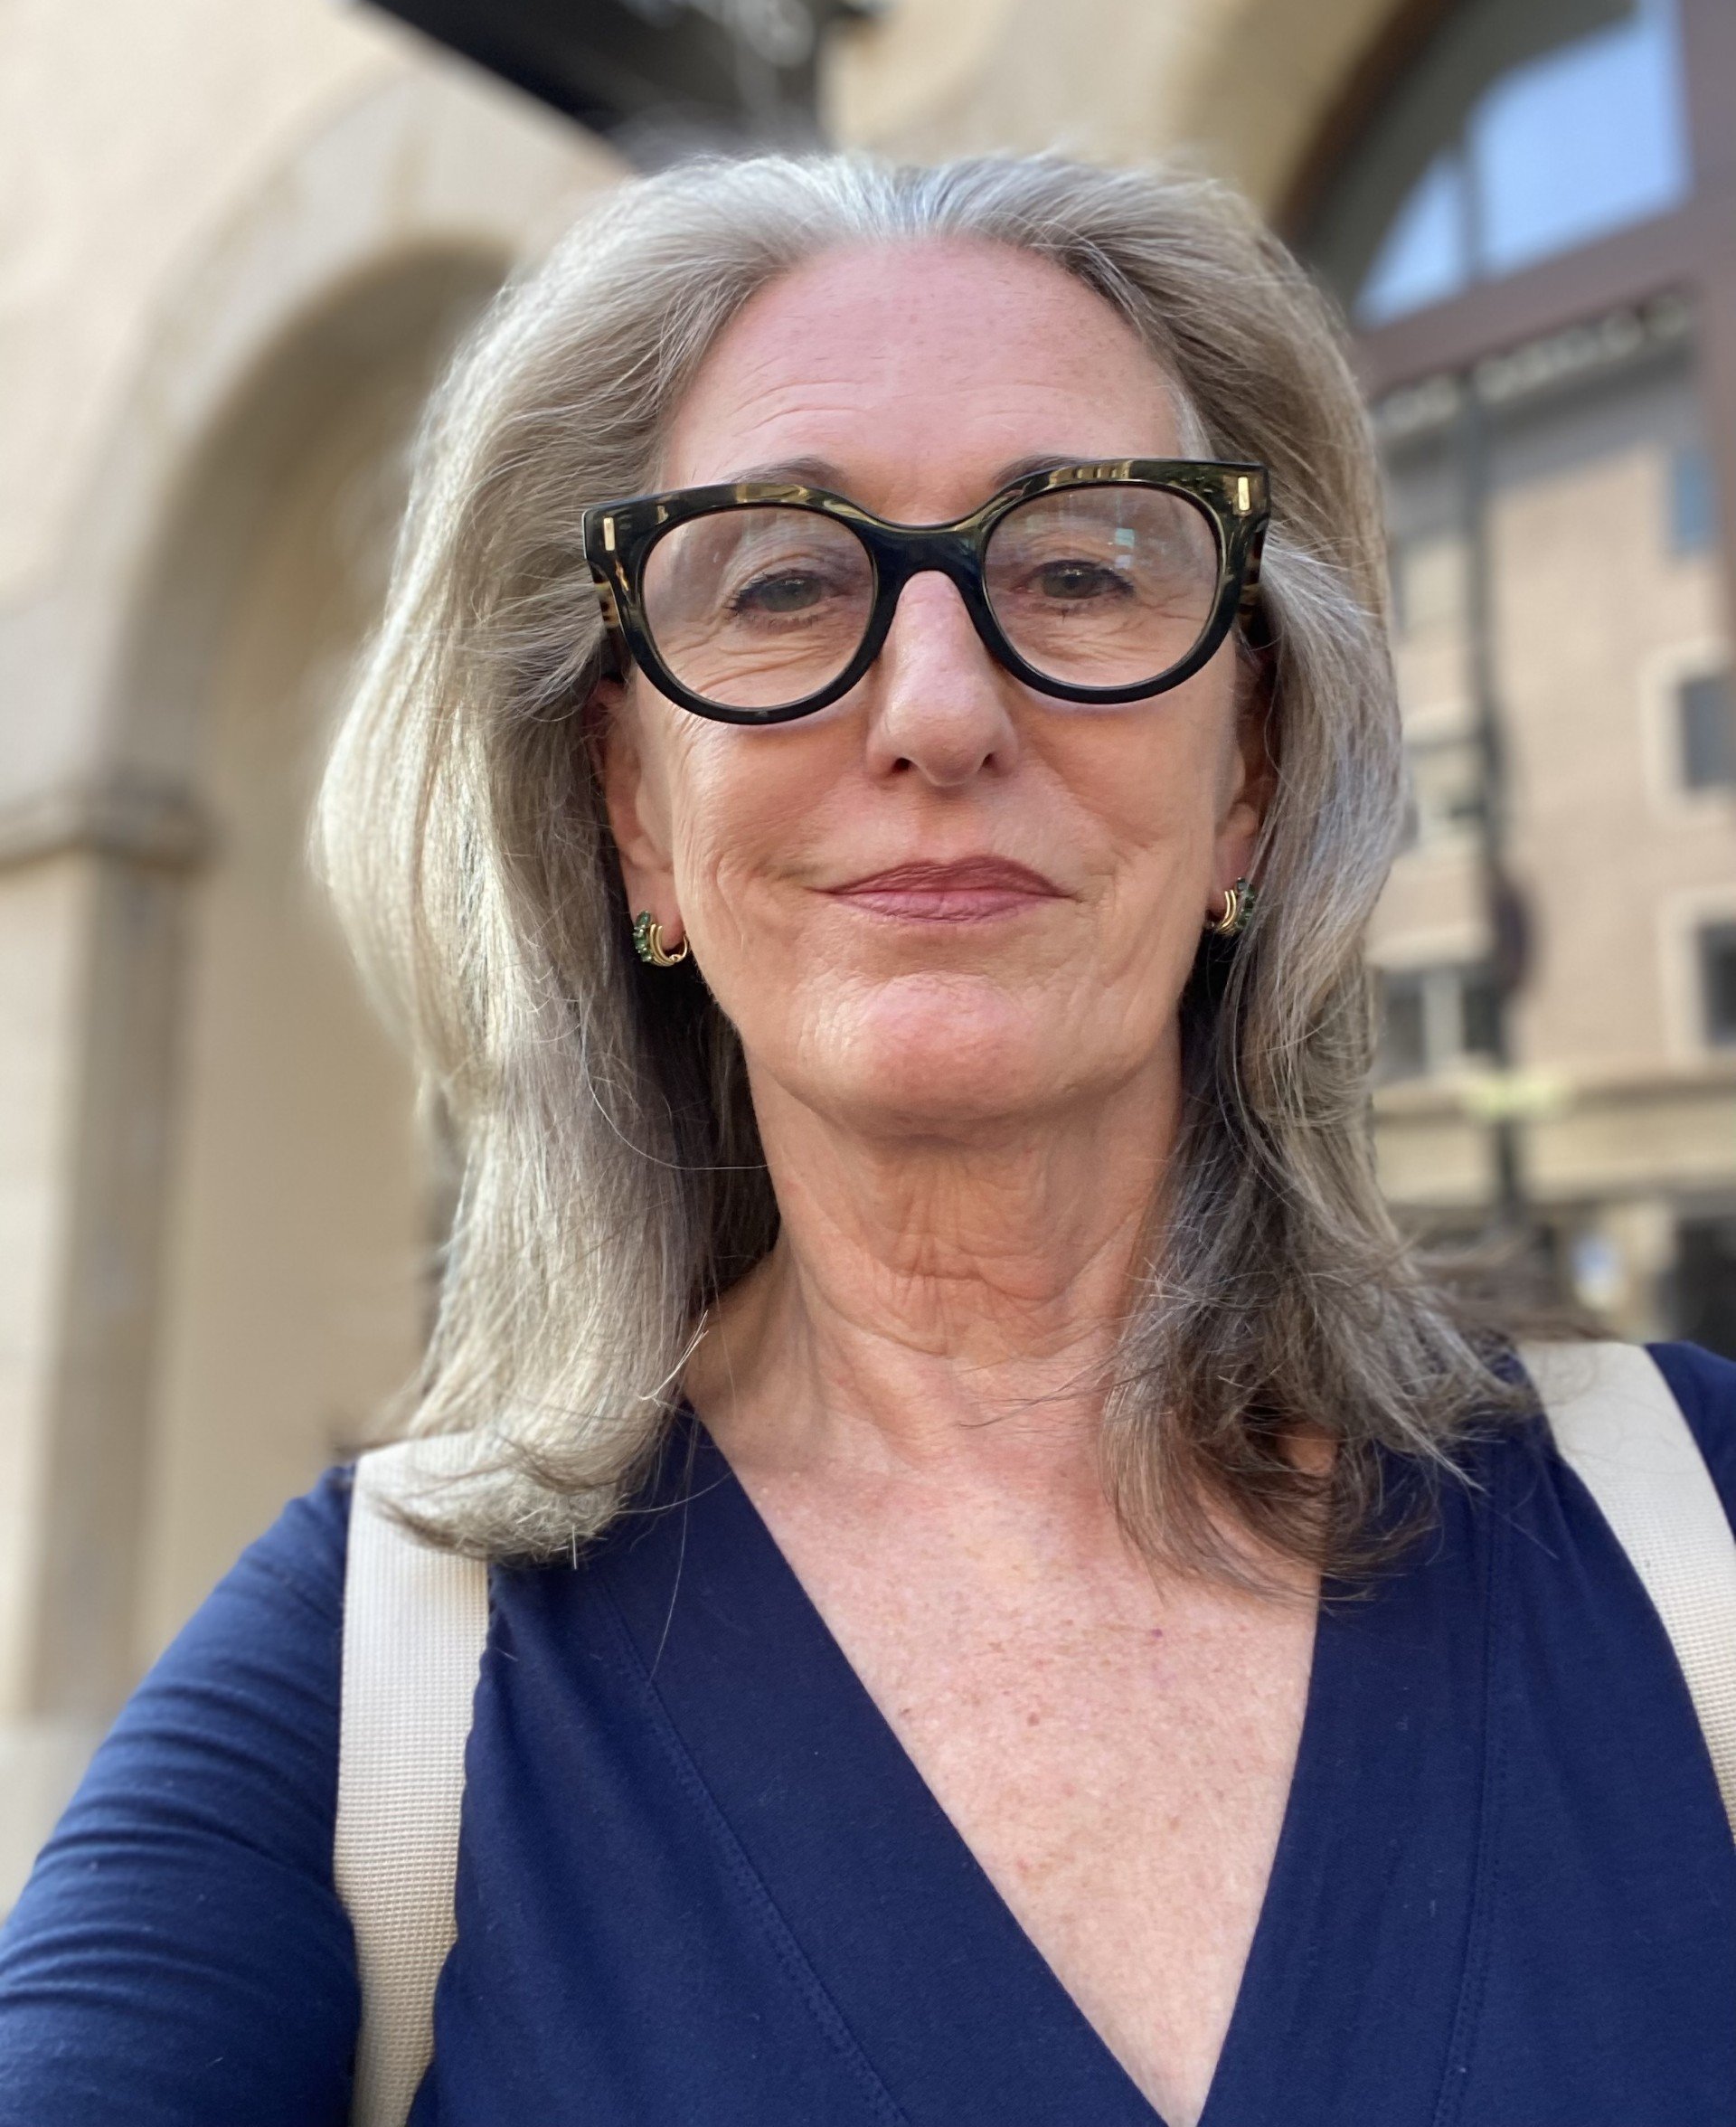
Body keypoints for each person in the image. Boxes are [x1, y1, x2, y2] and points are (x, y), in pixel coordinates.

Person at [2, 152, 1733, 2127]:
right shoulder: (367, 1688)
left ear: (1249, 771)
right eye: (782, 584)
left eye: (1082, 567)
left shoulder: (1691, 1536)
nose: (938, 706)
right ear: (638, 808)